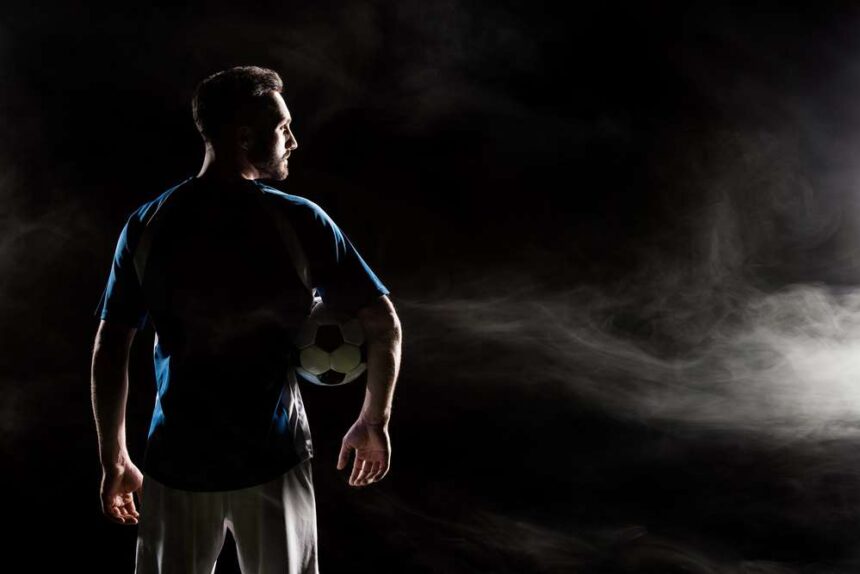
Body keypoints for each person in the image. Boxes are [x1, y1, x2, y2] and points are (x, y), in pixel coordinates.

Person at [90, 65, 403, 574]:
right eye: (282, 128)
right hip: (262, 461)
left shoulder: (147, 223)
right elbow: (383, 322)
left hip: (184, 461)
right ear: (243, 137)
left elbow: (111, 345)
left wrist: (115, 458)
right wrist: (374, 421)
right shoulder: (300, 219)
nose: (293, 141)